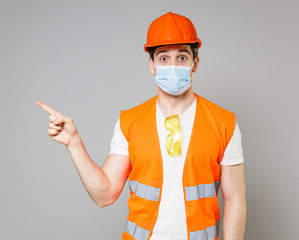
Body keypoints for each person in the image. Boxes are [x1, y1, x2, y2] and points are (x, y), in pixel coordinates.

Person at [36, 11, 246, 240]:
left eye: (182, 57)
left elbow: (235, 202)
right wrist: (74, 143)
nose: (173, 65)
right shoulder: (130, 122)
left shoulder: (224, 122)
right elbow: (104, 195)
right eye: (164, 58)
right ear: (152, 65)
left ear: (195, 64)